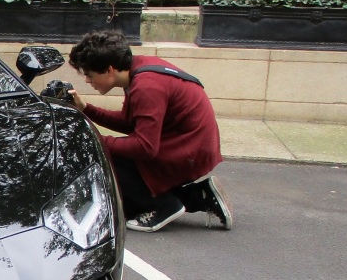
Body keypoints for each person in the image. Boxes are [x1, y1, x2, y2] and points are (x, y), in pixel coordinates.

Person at [64, 29, 232, 233]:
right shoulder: (138, 70)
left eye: (90, 75)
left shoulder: (146, 86)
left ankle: (163, 206)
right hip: (187, 143)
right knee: (118, 200)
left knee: (105, 160)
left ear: (109, 70)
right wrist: (87, 110)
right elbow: (130, 122)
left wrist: (94, 140)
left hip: (189, 150)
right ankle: (200, 195)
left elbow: (145, 147)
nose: (88, 81)